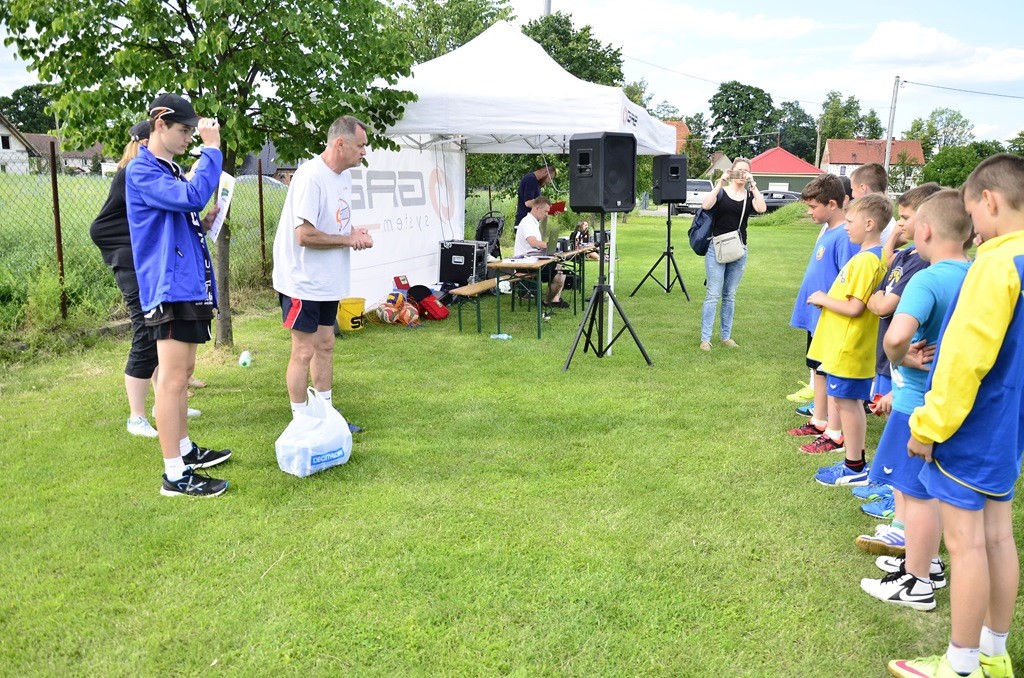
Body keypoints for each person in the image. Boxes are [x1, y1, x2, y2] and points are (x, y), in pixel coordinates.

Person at [889, 154, 1024, 678]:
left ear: (987, 201)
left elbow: (965, 357)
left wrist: (927, 427)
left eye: (975, 216)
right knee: (998, 537)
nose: (975, 232)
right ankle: (995, 652)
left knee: (965, 545)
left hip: (971, 424)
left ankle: (962, 664)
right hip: (1009, 428)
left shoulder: (994, 263)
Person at [856, 189, 971, 613]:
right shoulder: (974, 274)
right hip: (953, 401)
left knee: (914, 492)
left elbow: (898, 334)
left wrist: (895, 355)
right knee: (930, 488)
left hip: (916, 400)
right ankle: (931, 563)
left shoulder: (926, 278)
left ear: (923, 230)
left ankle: (917, 581)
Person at [126, 93, 231, 497]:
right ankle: (174, 475)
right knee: (170, 381)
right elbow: (189, 196)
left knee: (183, 375)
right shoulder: (142, 171)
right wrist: (211, 150)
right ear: (160, 124)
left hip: (186, 284)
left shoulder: (168, 170)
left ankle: (185, 451)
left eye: (193, 132)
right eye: (184, 130)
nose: (190, 137)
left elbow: (180, 214)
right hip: (168, 288)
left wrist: (201, 224)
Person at [90, 121, 207, 439]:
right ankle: (136, 416)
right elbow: (104, 227)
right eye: (180, 132)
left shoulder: (156, 171)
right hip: (129, 259)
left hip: (149, 260)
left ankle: (163, 404)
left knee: (160, 335)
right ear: (149, 139)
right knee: (146, 330)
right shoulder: (137, 172)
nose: (184, 140)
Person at [272, 115, 374, 429]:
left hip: (327, 280)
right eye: (361, 146)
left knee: (326, 345)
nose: (364, 153)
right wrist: (348, 239)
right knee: (303, 350)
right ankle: (301, 421)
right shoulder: (310, 176)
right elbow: (303, 235)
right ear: (340, 143)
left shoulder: (344, 176)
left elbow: (333, 223)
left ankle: (327, 416)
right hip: (302, 280)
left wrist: (352, 231)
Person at [856, 183, 942, 523]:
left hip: (912, 368)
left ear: (926, 223)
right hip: (900, 366)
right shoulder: (907, 256)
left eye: (904, 218)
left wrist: (877, 303)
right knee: (895, 427)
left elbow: (882, 304)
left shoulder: (924, 270)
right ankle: (889, 484)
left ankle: (899, 506)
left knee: (907, 438)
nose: (898, 224)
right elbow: (877, 294)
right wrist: (892, 243)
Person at [805, 193, 888, 486]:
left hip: (849, 347)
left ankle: (855, 467)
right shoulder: (871, 256)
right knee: (846, 401)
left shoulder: (866, 260)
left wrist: (823, 299)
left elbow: (855, 307)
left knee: (847, 403)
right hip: (846, 346)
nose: (847, 227)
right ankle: (855, 461)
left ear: (869, 223)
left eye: (850, 222)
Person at [787, 174, 859, 454]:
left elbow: (848, 281)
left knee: (830, 373)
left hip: (832, 318)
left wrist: (828, 302)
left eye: (813, 207)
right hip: (817, 318)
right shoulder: (828, 231)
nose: (809, 212)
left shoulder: (845, 236)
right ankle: (819, 419)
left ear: (832, 203)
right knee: (817, 368)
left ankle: (834, 432)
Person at [698, 158, 766, 351]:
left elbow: (761, 209)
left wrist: (753, 185)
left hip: (739, 249)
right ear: (732, 172)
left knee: (730, 295)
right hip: (716, 248)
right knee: (713, 294)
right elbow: (706, 205)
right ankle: (706, 339)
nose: (742, 175)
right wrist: (721, 181)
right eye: (739, 171)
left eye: (746, 171)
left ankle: (726, 336)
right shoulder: (722, 192)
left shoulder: (748, 195)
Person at [513, 196, 567, 308]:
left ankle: (553, 299)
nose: (547, 214)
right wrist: (549, 246)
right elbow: (533, 242)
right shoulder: (527, 222)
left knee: (559, 269)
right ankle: (549, 301)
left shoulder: (533, 222)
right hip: (526, 264)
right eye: (545, 211)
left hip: (533, 260)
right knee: (559, 274)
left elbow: (536, 244)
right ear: (537, 208)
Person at [850, 162, 897, 243]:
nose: (852, 195)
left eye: (853, 189)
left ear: (863, 188)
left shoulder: (866, 220)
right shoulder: (891, 221)